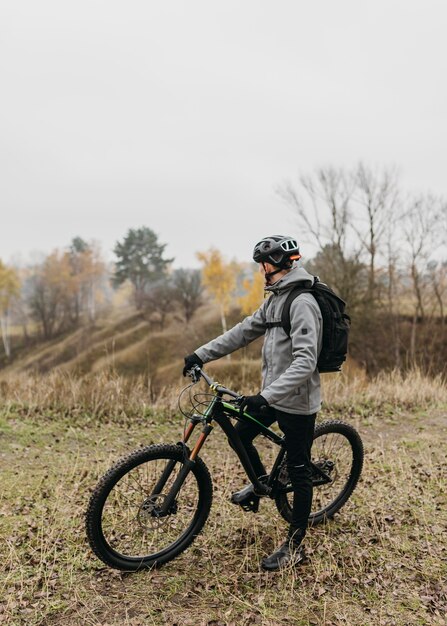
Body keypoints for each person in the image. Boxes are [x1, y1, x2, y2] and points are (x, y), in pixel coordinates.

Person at [183, 235, 322, 571]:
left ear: (286, 263)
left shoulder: (302, 303)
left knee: (300, 472)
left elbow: (305, 362)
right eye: (261, 263)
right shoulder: (276, 299)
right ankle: (265, 485)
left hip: (297, 401)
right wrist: (201, 353)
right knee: (242, 436)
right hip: (273, 394)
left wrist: (265, 395)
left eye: (268, 263)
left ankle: (294, 547)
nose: (263, 269)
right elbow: (243, 331)